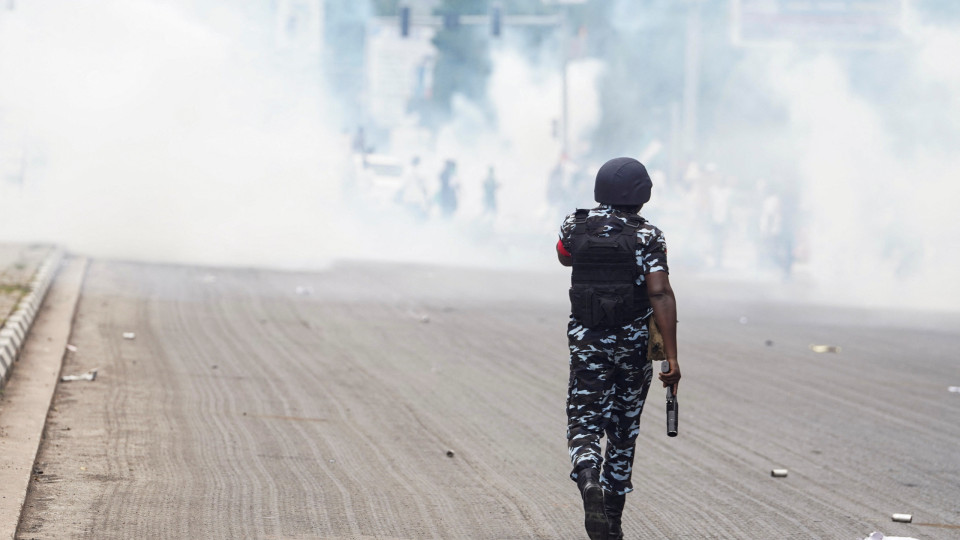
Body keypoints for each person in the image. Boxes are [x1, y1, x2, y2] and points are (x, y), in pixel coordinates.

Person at [556, 157, 680, 540]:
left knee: (584, 423)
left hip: (587, 343)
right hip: (633, 349)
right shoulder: (648, 236)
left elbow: (564, 257)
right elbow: (659, 291)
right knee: (624, 431)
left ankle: (589, 478)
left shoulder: (573, 224)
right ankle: (613, 518)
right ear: (641, 195)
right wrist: (671, 357)